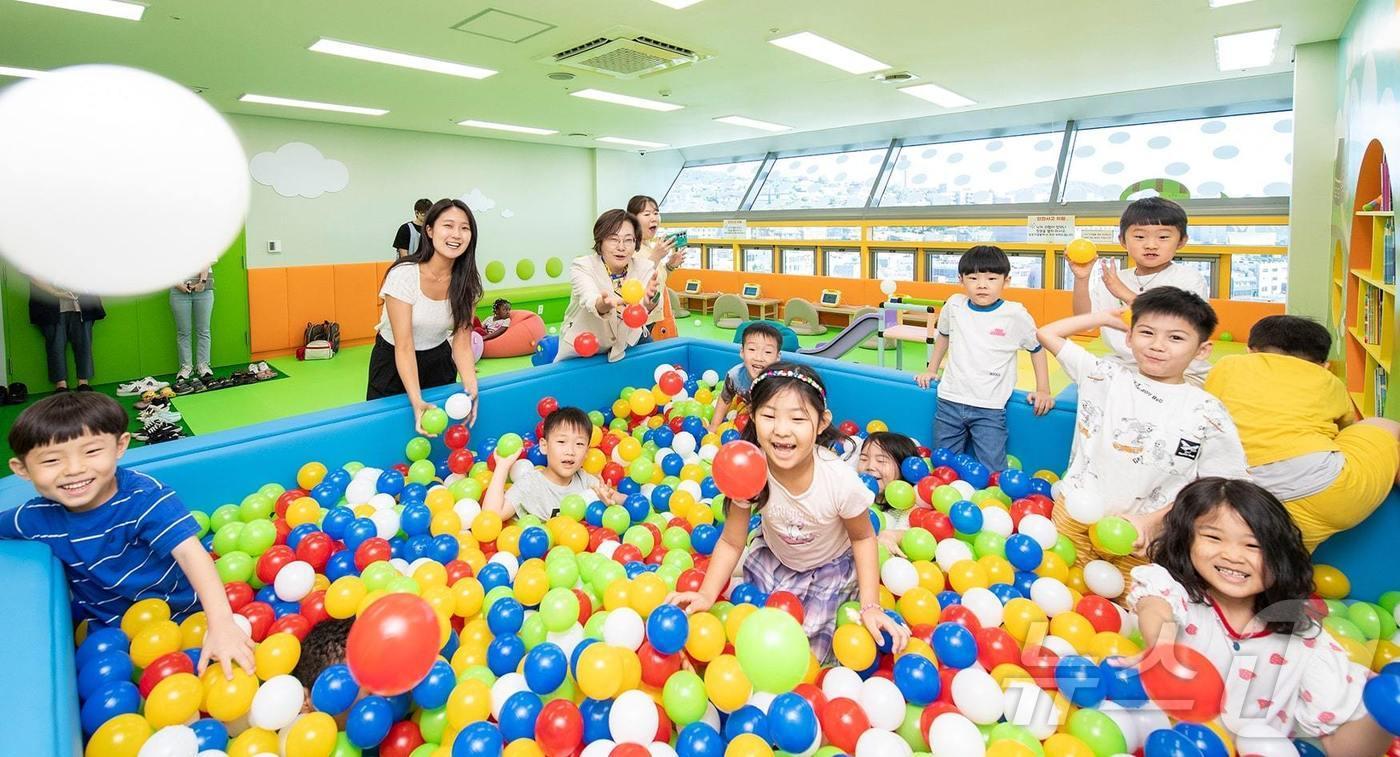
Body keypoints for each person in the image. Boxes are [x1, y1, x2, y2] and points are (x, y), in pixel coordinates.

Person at [1126, 477, 1390, 754]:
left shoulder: (1304, 641)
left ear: (1281, 557)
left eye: (1253, 546)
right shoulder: (1178, 594)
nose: (1233, 555)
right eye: (1213, 537)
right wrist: (1163, 647)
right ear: (1186, 540)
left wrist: (1385, 716)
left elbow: (1341, 747)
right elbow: (1155, 606)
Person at [668, 362, 910, 662]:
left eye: (797, 418)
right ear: (754, 417)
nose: (781, 430)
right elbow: (732, 541)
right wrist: (706, 594)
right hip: (775, 556)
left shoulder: (838, 480)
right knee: (751, 635)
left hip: (828, 567)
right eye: (769, 416)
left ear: (821, 423)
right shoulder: (748, 469)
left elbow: (863, 539)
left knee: (806, 656)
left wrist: (871, 606)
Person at [1, 392, 254, 676]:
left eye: (92, 451)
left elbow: (190, 552)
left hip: (182, 617)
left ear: (121, 445)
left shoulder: (144, 498)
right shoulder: (35, 518)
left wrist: (220, 624)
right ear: (22, 469)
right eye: (51, 461)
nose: (74, 470)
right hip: (109, 634)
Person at [1036, 287, 1248, 591]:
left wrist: (1155, 521)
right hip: (1076, 512)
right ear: (1129, 337)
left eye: (1175, 338)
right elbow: (1047, 333)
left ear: (1202, 349)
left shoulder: (1206, 411)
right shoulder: (1105, 376)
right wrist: (1101, 318)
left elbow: (1221, 484)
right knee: (1059, 588)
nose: (1158, 346)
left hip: (1145, 533)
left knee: (1129, 601)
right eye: (1147, 332)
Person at [1204, 315, 1400, 551]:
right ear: (1324, 365)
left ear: (1250, 351)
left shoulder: (1228, 364)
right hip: (1324, 496)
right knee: (1384, 427)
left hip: (1231, 496)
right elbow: (1343, 426)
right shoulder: (1330, 381)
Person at [915, 245, 1053, 471]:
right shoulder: (955, 305)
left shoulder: (1015, 314)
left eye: (991, 278)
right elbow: (943, 335)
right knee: (942, 465)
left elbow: (1036, 348)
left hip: (990, 407)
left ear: (1006, 281)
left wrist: (1044, 389)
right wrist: (932, 369)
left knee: (992, 471)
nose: (982, 284)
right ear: (961, 279)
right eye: (973, 277)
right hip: (950, 400)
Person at [368, 199, 483, 435]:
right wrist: (416, 399)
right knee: (387, 434)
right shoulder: (404, 275)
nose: (456, 234)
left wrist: (472, 388)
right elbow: (404, 345)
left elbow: (461, 343)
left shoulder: (467, 283)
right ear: (429, 230)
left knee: (436, 435)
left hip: (438, 360)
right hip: (393, 360)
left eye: (464, 228)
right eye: (448, 226)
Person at [1072, 197, 1212, 385]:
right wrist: (1082, 279)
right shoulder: (1114, 279)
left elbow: (1170, 323)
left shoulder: (1188, 279)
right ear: (1122, 240)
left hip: (1179, 370)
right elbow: (1083, 322)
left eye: (1163, 237)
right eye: (1139, 237)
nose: (1151, 245)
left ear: (1181, 241)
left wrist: (1124, 294)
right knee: (1088, 382)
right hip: (1126, 366)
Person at [556, 209, 662, 363]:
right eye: (613, 239)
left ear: (635, 243)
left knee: (655, 368)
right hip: (585, 342)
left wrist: (647, 305)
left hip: (627, 340)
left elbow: (639, 310)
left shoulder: (644, 268)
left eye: (628, 240)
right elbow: (589, 297)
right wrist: (602, 304)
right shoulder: (582, 266)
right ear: (601, 242)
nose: (621, 247)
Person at [483, 406, 622, 522]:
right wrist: (502, 467)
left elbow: (624, 500)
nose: (570, 451)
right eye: (562, 442)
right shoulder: (530, 483)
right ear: (544, 446)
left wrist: (609, 501)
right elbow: (490, 518)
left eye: (579, 444)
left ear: (586, 452)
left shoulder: (585, 480)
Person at [29, 277, 103, 392]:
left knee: (84, 343)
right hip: (49, 304)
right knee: (55, 346)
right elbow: (32, 275)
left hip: (82, 303)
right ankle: (61, 384)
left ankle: (83, 382)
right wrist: (54, 292)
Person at [708, 322, 783, 433]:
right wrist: (714, 426)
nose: (759, 357)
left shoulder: (781, 382)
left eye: (768, 352)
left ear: (777, 357)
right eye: (752, 349)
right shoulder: (735, 376)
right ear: (742, 352)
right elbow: (725, 399)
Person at [628, 195, 682, 342]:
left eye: (656, 213)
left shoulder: (649, 246)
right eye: (647, 214)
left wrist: (670, 265)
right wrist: (656, 257)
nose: (654, 218)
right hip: (635, 317)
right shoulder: (630, 247)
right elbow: (635, 282)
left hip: (651, 315)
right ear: (633, 219)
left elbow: (656, 279)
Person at [856, 431, 922, 553]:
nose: (870, 466)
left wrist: (891, 536)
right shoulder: (854, 497)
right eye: (864, 458)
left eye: (881, 461)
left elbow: (912, 531)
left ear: (904, 469)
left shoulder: (910, 505)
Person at [170, 266, 214, 386]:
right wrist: (179, 285)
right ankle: (186, 367)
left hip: (203, 289)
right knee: (183, 331)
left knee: (204, 330)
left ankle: (203, 366)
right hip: (178, 290)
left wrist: (202, 282)